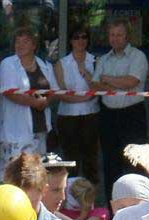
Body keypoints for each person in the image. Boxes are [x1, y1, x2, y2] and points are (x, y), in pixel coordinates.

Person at [94, 19, 149, 200]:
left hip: (132, 115)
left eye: (119, 35)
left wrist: (108, 79)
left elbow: (132, 82)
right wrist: (118, 82)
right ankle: (113, 210)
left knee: (134, 162)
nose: (115, 39)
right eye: (112, 35)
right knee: (111, 163)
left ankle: (139, 206)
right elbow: (96, 85)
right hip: (108, 115)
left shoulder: (138, 56)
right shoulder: (103, 59)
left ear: (127, 37)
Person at [0, 27, 56, 185]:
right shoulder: (8, 64)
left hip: (40, 128)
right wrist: (35, 103)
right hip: (16, 130)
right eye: (17, 41)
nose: (20, 45)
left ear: (34, 45)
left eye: (25, 42)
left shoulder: (45, 66)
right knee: (12, 174)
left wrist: (45, 102)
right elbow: (9, 92)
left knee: (36, 175)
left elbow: (54, 90)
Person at [53, 26, 99, 188]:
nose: (80, 41)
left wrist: (86, 73)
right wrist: (85, 97)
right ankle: (69, 200)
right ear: (71, 41)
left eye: (84, 37)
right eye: (76, 37)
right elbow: (60, 92)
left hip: (91, 115)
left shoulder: (95, 61)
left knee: (90, 159)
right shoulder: (62, 63)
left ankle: (91, 199)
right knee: (70, 160)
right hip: (68, 116)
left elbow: (98, 87)